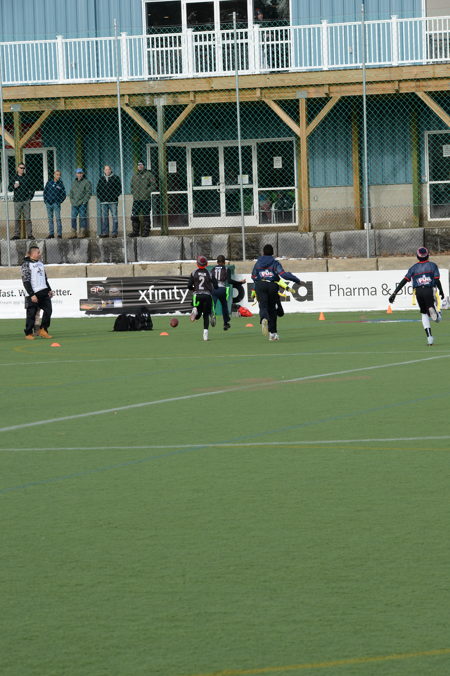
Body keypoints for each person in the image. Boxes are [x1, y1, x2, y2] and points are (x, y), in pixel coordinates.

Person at [389, 246, 444, 346]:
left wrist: (394, 293)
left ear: (417, 256)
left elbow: (404, 281)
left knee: (424, 313)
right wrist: (441, 291)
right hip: (428, 290)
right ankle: (437, 314)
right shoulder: (433, 266)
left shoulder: (413, 268)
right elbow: (437, 280)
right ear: (428, 255)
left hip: (418, 292)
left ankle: (429, 338)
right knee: (436, 317)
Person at [251, 244, 300, 341]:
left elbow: (253, 276)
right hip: (272, 285)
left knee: (263, 306)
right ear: (272, 252)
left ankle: (263, 318)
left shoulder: (258, 263)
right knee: (272, 309)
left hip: (260, 285)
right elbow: (283, 275)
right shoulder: (275, 263)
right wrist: (296, 280)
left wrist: (259, 281)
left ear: (263, 252)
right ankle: (272, 334)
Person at [21, 245, 54, 340]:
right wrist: (32, 294)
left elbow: (45, 278)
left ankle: (43, 329)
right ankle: (28, 333)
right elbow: (26, 281)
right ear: (32, 254)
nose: (40, 254)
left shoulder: (41, 263)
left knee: (48, 310)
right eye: (38, 252)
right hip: (33, 293)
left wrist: (49, 289)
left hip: (44, 291)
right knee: (31, 314)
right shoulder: (26, 264)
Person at [188, 255, 218, 341]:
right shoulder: (209, 273)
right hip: (207, 296)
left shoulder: (194, 273)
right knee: (205, 315)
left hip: (197, 296)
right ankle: (205, 336)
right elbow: (216, 285)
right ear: (206, 264)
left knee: (197, 316)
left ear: (197, 264)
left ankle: (195, 310)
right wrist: (211, 287)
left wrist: (194, 289)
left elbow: (189, 286)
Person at [211, 255, 244, 331]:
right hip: (222, 289)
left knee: (213, 305)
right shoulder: (226, 269)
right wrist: (240, 282)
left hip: (214, 289)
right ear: (224, 262)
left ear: (217, 262)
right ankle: (225, 323)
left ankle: (212, 315)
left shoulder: (213, 269)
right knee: (224, 306)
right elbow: (229, 281)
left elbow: (210, 279)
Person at [9, 162, 35, 240]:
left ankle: (29, 234)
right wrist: (14, 186)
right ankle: (17, 235)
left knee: (28, 218)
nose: (22, 169)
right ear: (17, 168)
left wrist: (30, 197)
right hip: (17, 200)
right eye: (21, 168)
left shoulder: (27, 177)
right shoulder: (14, 177)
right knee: (17, 218)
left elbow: (32, 187)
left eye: (23, 168)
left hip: (26, 200)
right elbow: (9, 188)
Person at [130, 161, 156, 237]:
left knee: (146, 215)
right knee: (134, 215)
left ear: (144, 166)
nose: (140, 166)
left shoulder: (149, 175)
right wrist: (134, 193)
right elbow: (131, 186)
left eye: (141, 165)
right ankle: (135, 232)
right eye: (138, 165)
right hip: (136, 199)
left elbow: (154, 185)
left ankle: (146, 232)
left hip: (145, 199)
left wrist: (146, 192)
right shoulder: (134, 176)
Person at [96, 165, 122, 238]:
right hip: (104, 202)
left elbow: (119, 189)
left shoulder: (115, 178)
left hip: (113, 201)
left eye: (108, 169)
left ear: (110, 170)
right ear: (104, 171)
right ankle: (105, 232)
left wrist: (114, 196)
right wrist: (101, 198)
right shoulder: (101, 179)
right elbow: (98, 190)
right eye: (106, 169)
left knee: (114, 217)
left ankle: (114, 232)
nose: (107, 171)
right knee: (104, 217)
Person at [69, 168, 92, 238]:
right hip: (74, 204)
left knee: (82, 218)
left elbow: (88, 193)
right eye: (78, 173)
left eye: (81, 173)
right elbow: (71, 193)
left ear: (83, 174)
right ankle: (73, 233)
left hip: (82, 204)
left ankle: (82, 233)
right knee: (73, 218)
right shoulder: (74, 182)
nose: (79, 175)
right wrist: (72, 201)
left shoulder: (86, 182)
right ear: (76, 174)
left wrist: (84, 201)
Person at [43, 170, 66, 238]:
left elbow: (63, 194)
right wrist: (46, 201)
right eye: (57, 174)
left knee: (58, 219)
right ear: (54, 175)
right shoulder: (49, 183)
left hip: (56, 204)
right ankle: (51, 234)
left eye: (59, 175)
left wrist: (59, 201)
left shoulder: (60, 184)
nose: (58, 176)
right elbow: (45, 192)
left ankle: (59, 234)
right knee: (50, 219)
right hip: (49, 203)